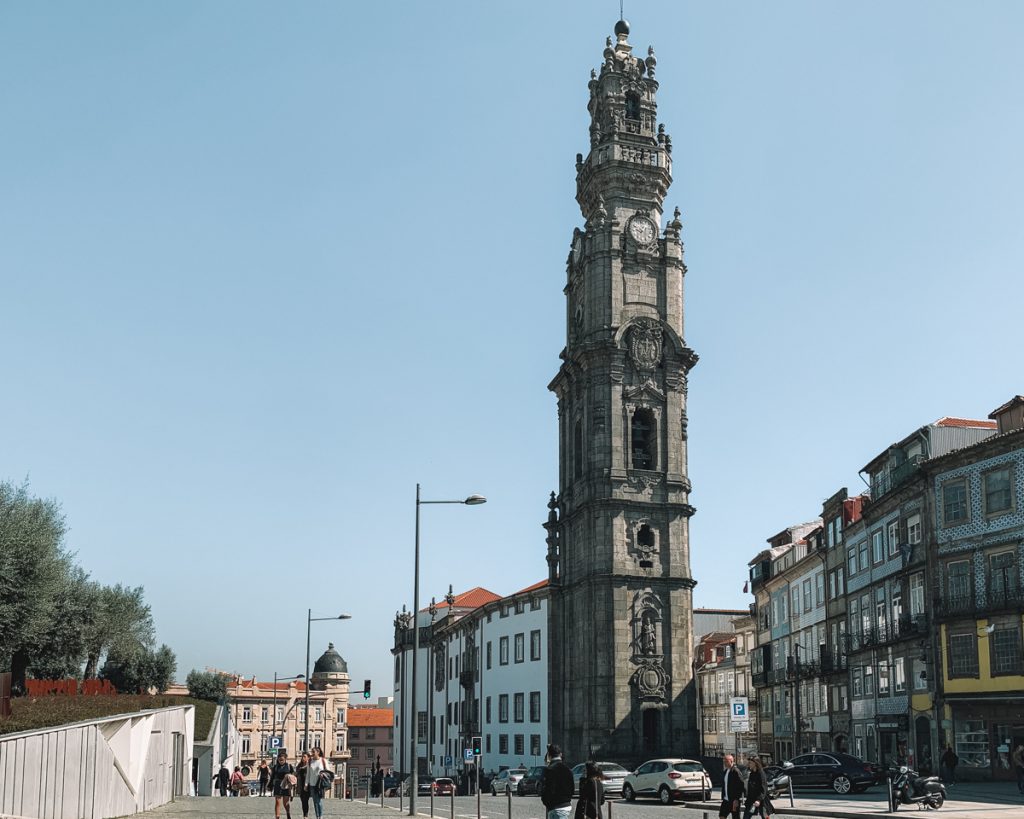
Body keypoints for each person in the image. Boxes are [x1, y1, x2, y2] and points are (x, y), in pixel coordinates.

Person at [540, 743, 574, 819]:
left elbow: (547, 789)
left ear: (549, 755)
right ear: (560, 754)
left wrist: (546, 802)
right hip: (566, 805)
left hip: (555, 807)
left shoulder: (549, 770)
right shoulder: (568, 770)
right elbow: (572, 789)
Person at [271, 750, 296, 819]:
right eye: (279, 759)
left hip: (286, 785)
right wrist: (270, 785)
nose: (280, 761)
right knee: (278, 802)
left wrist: (290, 778)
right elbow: (272, 776)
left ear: (285, 759)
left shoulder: (289, 766)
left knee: (285, 803)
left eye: (282, 759)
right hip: (278, 784)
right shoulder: (275, 767)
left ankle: (288, 813)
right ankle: (277, 817)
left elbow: (293, 776)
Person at [719, 754, 745, 819]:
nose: (724, 763)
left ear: (731, 761)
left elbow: (741, 785)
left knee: (736, 817)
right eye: (724, 761)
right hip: (726, 800)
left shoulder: (736, 771)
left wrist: (737, 799)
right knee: (722, 815)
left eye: (726, 761)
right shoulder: (725, 771)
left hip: (734, 800)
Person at [307, 748, 326, 819]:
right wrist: (306, 784)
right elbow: (308, 774)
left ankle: (321, 816)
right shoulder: (310, 761)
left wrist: (323, 775)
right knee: (315, 801)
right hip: (312, 784)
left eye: (313, 752)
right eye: (312, 752)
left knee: (319, 800)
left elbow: (328, 771)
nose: (312, 753)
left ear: (318, 752)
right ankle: (317, 816)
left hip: (320, 784)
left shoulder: (323, 760)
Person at [296, 753, 311, 818]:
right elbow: (296, 773)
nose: (303, 758)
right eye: (302, 757)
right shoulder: (299, 766)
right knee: (302, 800)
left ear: (308, 758)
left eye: (304, 757)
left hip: (307, 785)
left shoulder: (309, 766)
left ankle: (306, 814)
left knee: (306, 800)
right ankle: (304, 814)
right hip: (300, 784)